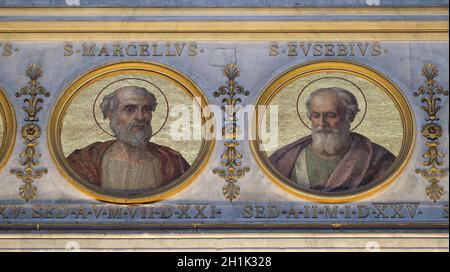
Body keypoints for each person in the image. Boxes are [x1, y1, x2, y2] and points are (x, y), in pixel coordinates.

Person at [269, 87, 396, 192]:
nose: (321, 124)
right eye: (315, 116)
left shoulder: (378, 159)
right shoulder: (284, 160)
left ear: (350, 116)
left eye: (331, 115)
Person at [67, 86, 189, 193]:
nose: (140, 117)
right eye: (130, 109)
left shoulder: (173, 162)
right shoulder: (84, 161)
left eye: (146, 109)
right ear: (110, 114)